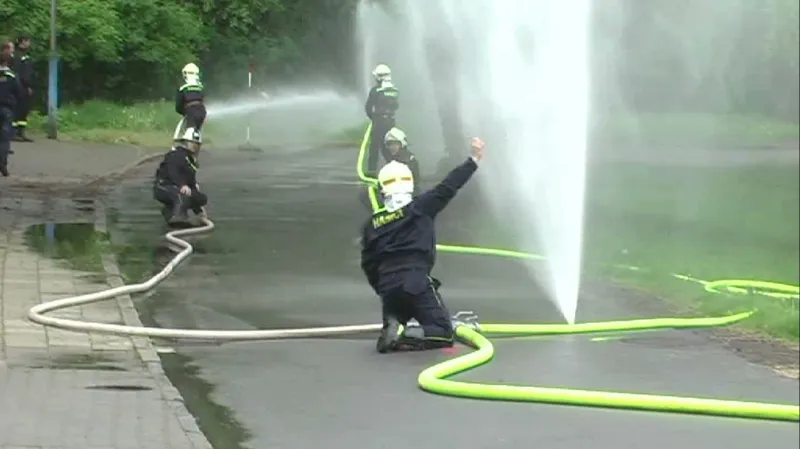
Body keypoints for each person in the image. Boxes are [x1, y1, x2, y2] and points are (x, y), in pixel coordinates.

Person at [360, 136, 486, 353]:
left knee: (400, 306)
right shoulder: (419, 208)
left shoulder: (372, 224)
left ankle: (395, 321)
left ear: (382, 189)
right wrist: (473, 160)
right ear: (409, 184)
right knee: (442, 331)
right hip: (415, 280)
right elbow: (449, 186)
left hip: (388, 287)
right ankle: (406, 337)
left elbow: (368, 264)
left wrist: (382, 290)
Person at [153, 127, 208, 225]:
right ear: (186, 142)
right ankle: (178, 216)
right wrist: (182, 185)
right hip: (163, 186)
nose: (195, 146)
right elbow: (172, 171)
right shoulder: (175, 155)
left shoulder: (191, 162)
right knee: (182, 195)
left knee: (200, 198)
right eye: (192, 143)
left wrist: (199, 211)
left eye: (197, 144)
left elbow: (191, 185)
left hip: (177, 189)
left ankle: (170, 210)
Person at [363, 64, 399, 176]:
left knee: (375, 146)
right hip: (391, 121)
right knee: (389, 145)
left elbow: (368, 106)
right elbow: (396, 106)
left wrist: (373, 117)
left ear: (379, 77)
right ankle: (395, 167)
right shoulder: (394, 90)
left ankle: (372, 170)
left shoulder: (376, 90)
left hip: (379, 121)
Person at [0, 39, 23, 176]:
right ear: (7, 62)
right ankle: (2, 163)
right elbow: (19, 92)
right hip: (7, 109)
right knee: (5, 137)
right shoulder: (12, 75)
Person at [11, 35, 33, 142]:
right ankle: (14, 133)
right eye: (28, 41)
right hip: (20, 86)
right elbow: (20, 73)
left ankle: (21, 132)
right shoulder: (18, 56)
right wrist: (26, 85)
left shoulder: (25, 55)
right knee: (17, 109)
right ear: (22, 42)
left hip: (24, 86)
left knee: (24, 109)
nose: (29, 43)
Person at [175, 63, 206, 131]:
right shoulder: (201, 88)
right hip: (202, 111)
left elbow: (178, 106)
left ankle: (189, 137)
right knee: (196, 131)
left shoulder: (182, 89)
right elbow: (203, 100)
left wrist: (184, 112)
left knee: (189, 131)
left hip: (190, 111)